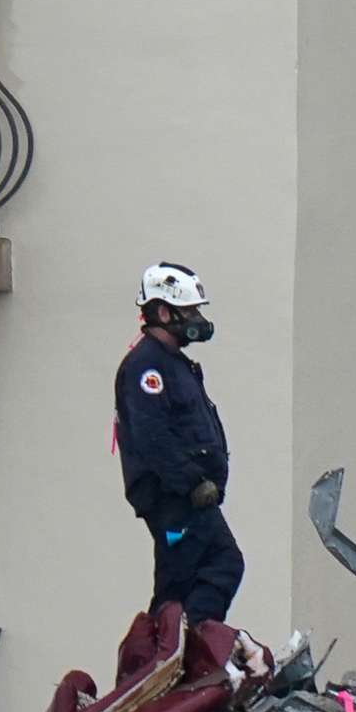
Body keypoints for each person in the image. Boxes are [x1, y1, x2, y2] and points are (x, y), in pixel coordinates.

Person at [116, 263, 243, 625]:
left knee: (183, 584)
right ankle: (180, 653)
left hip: (191, 499)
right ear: (162, 312)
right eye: (189, 311)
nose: (197, 319)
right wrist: (192, 482)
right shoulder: (146, 367)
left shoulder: (175, 364)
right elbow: (152, 436)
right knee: (218, 567)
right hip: (175, 500)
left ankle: (174, 654)